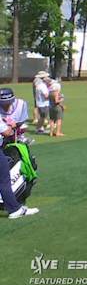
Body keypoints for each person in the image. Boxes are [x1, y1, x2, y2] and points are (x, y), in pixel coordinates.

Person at [0, 88, 39, 219]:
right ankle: (14, 209)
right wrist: (11, 127)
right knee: (4, 179)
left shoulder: (20, 104)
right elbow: (7, 132)